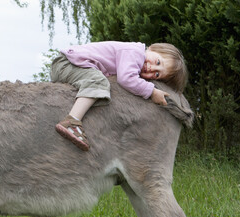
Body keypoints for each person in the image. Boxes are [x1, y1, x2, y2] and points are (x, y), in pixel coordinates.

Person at [52, 41, 188, 151]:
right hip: (67, 64)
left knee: (101, 87)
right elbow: (126, 79)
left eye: (157, 75)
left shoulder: (134, 56)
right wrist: (151, 91)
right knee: (98, 83)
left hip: (74, 66)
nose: (152, 69)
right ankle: (72, 121)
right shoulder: (135, 53)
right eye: (158, 62)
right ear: (153, 48)